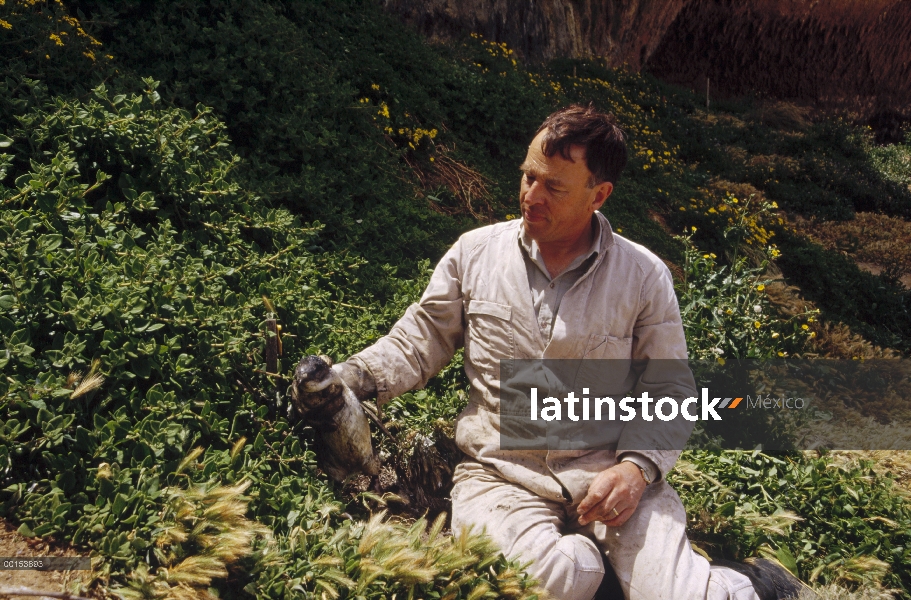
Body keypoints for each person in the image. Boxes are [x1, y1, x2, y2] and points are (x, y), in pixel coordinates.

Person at [318, 105, 813, 600]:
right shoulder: (474, 253)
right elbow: (419, 338)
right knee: (540, 585)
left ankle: (751, 581)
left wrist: (636, 470)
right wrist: (353, 377)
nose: (531, 196)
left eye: (553, 186)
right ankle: (596, 570)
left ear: (599, 196)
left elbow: (670, 389)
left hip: (609, 475)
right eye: (528, 176)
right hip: (501, 475)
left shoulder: (643, 277)